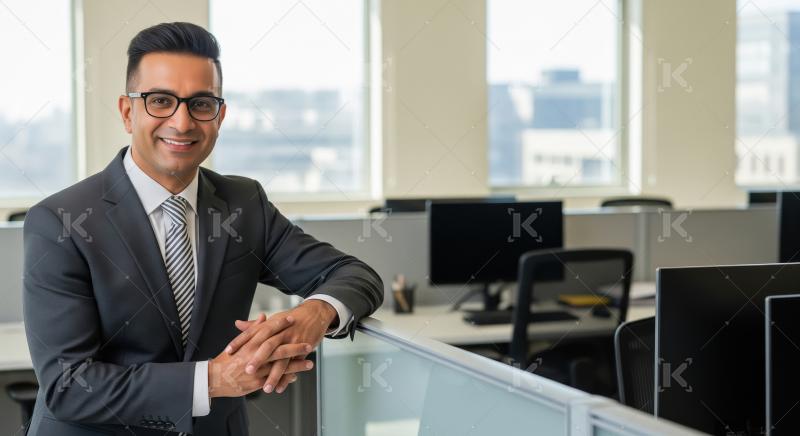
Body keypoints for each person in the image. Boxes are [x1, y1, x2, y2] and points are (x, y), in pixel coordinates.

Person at [22, 21, 383, 436]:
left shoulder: (244, 204)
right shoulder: (61, 221)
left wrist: (313, 314)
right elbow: (69, 386)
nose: (182, 122)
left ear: (220, 115)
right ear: (128, 111)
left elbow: (356, 276)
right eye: (160, 101)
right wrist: (214, 380)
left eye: (201, 104)